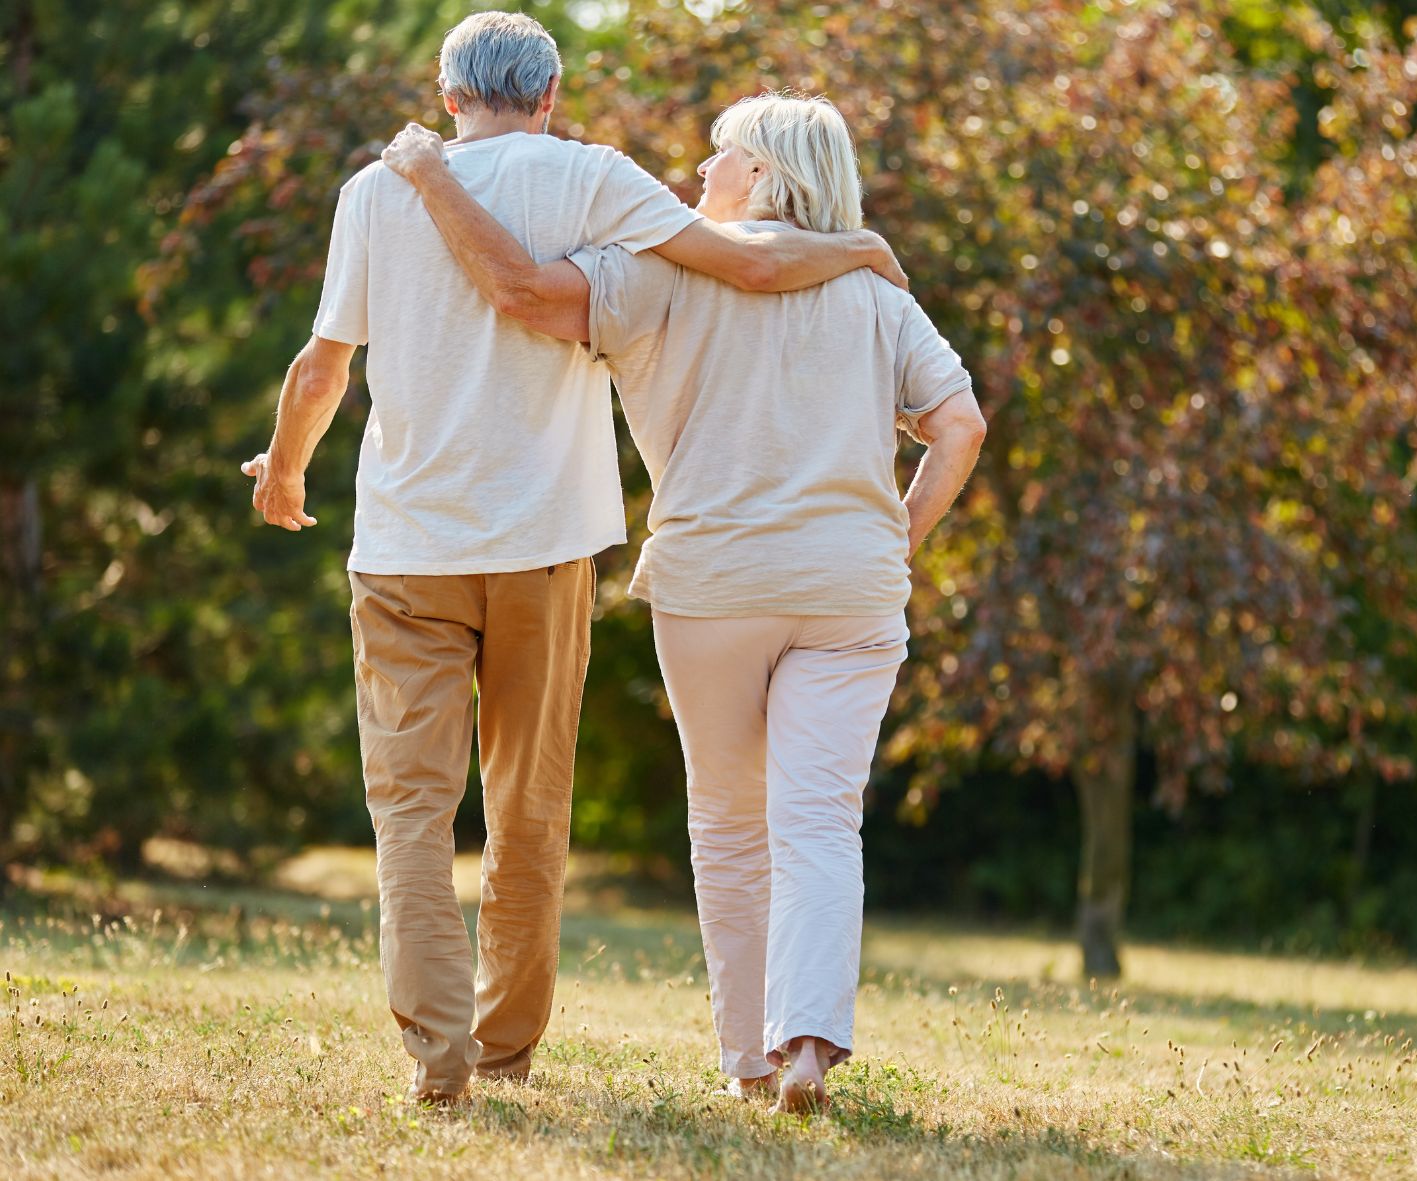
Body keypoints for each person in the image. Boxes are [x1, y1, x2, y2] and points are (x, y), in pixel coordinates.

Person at [240, 13, 906, 1106]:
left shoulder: (375, 191)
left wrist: (283, 471)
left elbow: (324, 364)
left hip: (407, 547)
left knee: (410, 810)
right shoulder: (596, 177)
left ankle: (436, 1054)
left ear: (447, 94)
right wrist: (861, 251)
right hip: (545, 545)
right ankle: (504, 1046)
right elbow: (741, 260)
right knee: (528, 806)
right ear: (549, 94)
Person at [379, 91, 986, 1113]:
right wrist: (897, 534)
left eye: (717, 156)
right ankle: (805, 1045)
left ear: (759, 174)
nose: (695, 174)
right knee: (821, 822)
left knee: (730, 823)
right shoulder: (876, 288)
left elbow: (526, 297)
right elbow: (958, 425)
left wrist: (432, 180)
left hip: (714, 582)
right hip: (850, 585)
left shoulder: (655, 271)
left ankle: (747, 1062)